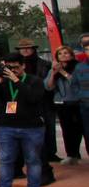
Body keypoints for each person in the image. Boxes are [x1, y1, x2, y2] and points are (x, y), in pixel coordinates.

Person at [0, 53, 46, 187]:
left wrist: (16, 80)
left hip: (32, 128)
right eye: (9, 67)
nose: (12, 70)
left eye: (16, 67)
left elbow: (33, 98)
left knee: (33, 161)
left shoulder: (35, 81)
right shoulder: (3, 82)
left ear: (23, 66)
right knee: (6, 160)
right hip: (7, 127)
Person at [14, 38, 57, 179]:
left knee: (43, 134)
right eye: (23, 48)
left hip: (42, 102)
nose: (26, 50)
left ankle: (46, 165)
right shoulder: (14, 67)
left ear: (34, 49)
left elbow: (49, 86)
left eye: (29, 47)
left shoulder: (45, 65)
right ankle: (20, 168)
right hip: (21, 104)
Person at [46, 46, 82, 164]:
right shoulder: (53, 70)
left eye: (66, 53)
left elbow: (76, 83)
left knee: (82, 129)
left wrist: (62, 72)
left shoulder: (78, 67)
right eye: (60, 54)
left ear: (71, 55)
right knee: (67, 130)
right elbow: (48, 87)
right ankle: (72, 154)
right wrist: (53, 73)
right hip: (62, 103)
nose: (63, 55)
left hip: (78, 102)